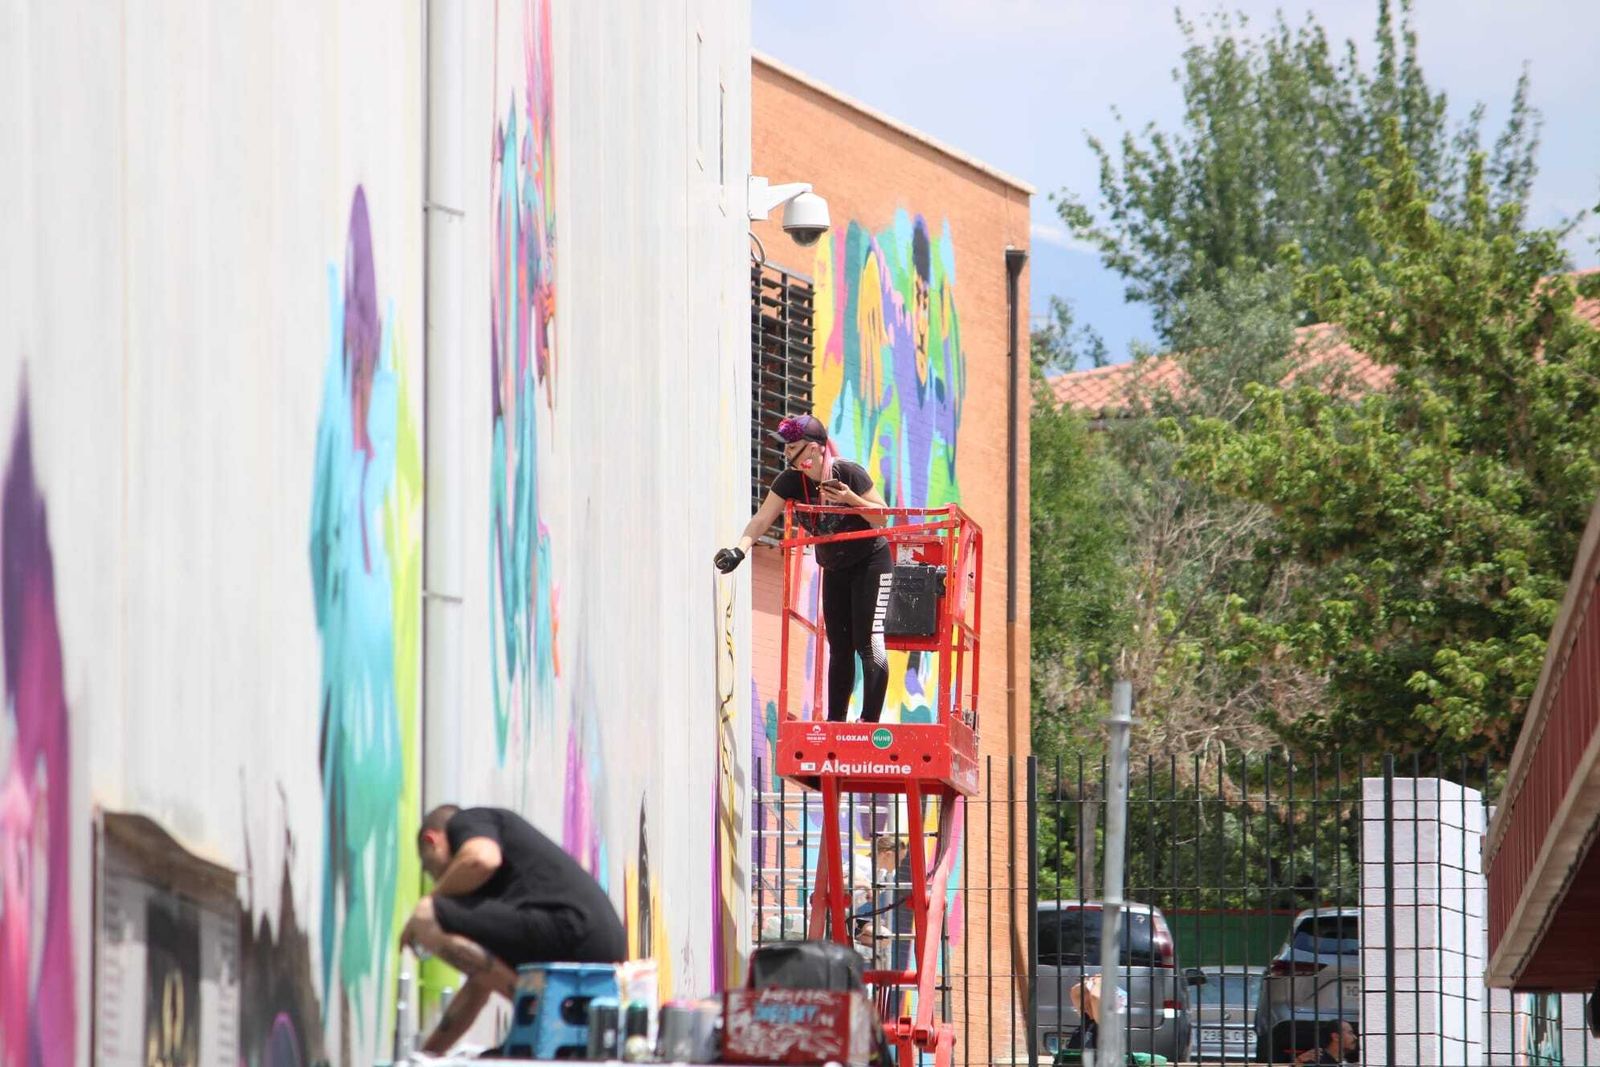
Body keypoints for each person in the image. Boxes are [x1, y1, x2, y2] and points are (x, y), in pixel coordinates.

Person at [400, 804, 627, 1055]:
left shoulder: (466, 821)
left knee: (425, 916)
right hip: (600, 946)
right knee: (489, 1055)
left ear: (432, 840)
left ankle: (533, 1008)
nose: (436, 877)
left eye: (430, 868)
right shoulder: (499, 903)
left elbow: (482, 859)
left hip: (572, 926)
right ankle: (534, 1011)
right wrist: (426, 1056)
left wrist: (429, 903)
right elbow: (479, 984)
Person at [715, 413, 891, 723]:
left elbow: (882, 517)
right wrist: (738, 551)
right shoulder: (790, 482)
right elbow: (761, 519)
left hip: (870, 562)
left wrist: (850, 499)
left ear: (813, 449)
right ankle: (837, 723)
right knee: (839, 645)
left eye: (791, 446)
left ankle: (868, 723)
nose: (785, 453)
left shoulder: (848, 473)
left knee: (867, 640)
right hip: (835, 566)